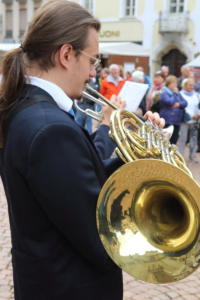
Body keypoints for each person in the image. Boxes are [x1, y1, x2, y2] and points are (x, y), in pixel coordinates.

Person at [0, 1, 164, 300]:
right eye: (92, 60)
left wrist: (138, 153)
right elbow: (101, 239)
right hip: (71, 287)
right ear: (65, 54)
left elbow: (85, 178)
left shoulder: (29, 109)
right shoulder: (50, 128)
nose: (93, 72)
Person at [160, 75, 187, 144]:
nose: (176, 85)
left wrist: (178, 104)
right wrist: (175, 94)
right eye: (174, 83)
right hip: (168, 120)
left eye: (176, 83)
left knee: (174, 140)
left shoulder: (177, 93)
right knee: (166, 141)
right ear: (169, 83)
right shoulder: (164, 93)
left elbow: (185, 103)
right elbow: (170, 102)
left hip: (176, 121)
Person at [178, 78, 200, 163]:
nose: (191, 86)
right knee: (182, 139)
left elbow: (199, 106)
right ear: (185, 85)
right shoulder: (180, 94)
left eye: (192, 85)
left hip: (195, 120)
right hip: (184, 120)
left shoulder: (197, 95)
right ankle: (180, 157)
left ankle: (192, 156)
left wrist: (198, 114)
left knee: (193, 139)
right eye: (189, 85)